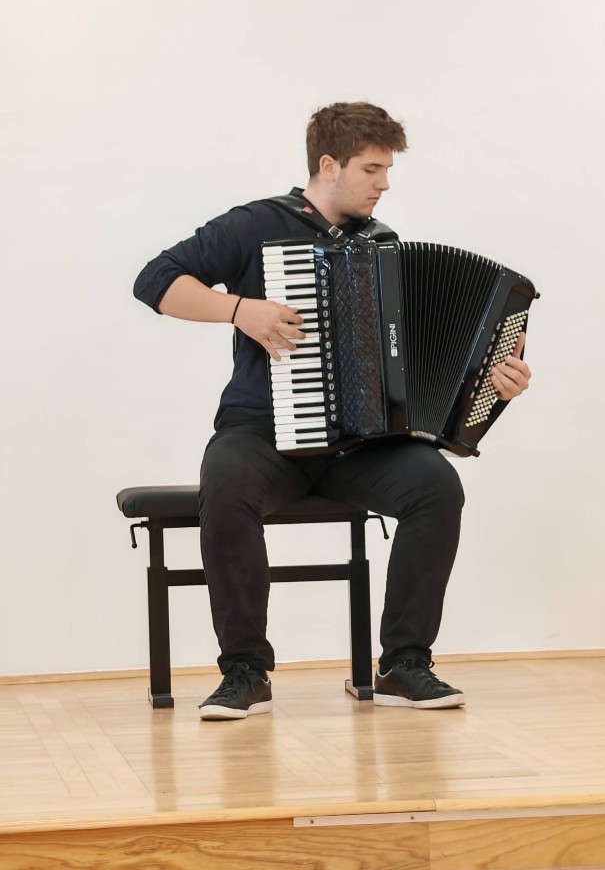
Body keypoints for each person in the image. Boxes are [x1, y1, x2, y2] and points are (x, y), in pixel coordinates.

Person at [134, 102, 532, 720]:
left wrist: (492, 386)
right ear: (328, 165)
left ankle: (404, 663)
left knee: (436, 487)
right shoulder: (256, 224)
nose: (384, 183)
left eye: (387, 170)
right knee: (227, 480)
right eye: (372, 169)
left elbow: (416, 374)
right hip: (264, 434)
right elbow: (156, 281)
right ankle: (245, 671)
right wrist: (240, 310)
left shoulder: (383, 245)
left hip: (362, 445)